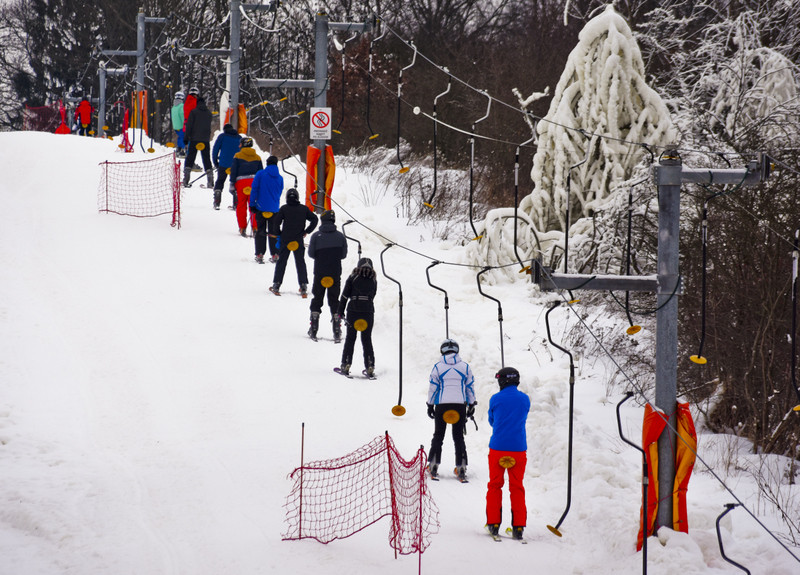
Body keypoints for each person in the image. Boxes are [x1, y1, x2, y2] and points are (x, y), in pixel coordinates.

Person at [485, 366, 530, 541]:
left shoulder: (495, 398)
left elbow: (492, 419)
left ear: (501, 381)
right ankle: (518, 527)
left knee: (495, 485)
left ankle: (494, 523)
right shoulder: (525, 399)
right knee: (517, 486)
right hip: (518, 449)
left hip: (498, 448)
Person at [426, 339, 477, 481]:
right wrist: (471, 404)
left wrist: (430, 404)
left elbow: (433, 387)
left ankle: (434, 465)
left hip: (442, 405)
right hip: (459, 405)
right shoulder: (465, 367)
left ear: (442, 351)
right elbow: (470, 386)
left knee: (438, 435)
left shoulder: (437, 367)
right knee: (458, 436)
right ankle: (461, 467)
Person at [307, 209, 348, 340]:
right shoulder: (341, 236)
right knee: (334, 300)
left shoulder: (316, 236)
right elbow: (343, 255)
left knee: (317, 299)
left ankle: (313, 328)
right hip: (335, 273)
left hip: (320, 272)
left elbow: (311, 254)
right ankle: (337, 330)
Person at [269, 188, 318, 296]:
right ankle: (303, 285)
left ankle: (276, 284)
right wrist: (306, 231)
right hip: (298, 240)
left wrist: (278, 233)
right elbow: (315, 219)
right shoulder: (304, 209)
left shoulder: (284, 209)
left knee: (282, 262)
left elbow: (276, 222)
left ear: (287, 198)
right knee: (300, 262)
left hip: (285, 240)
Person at [337, 258, 377, 376]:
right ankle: (370, 365)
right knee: (366, 339)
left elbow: (344, 295)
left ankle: (346, 364)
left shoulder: (353, 277)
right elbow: (373, 295)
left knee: (350, 338)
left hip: (353, 310)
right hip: (368, 311)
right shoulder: (373, 280)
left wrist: (340, 311)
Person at [249, 155, 284, 263]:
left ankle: (260, 254)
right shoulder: (280, 178)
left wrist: (252, 204)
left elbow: (254, 189)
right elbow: (280, 191)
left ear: (267, 163)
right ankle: (275, 255)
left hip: (261, 207)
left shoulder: (260, 174)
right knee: (274, 232)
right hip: (274, 209)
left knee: (261, 231)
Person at [229, 137, 262, 237]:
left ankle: (242, 228)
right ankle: (255, 227)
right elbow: (261, 172)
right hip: (254, 182)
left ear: (242, 145)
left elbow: (233, 171)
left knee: (241, 205)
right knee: (254, 205)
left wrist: (232, 183)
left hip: (241, 183)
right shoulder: (257, 157)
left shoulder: (237, 156)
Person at [183, 95, 214, 190]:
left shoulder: (194, 112)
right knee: (206, 159)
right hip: (205, 140)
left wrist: (186, 138)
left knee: (190, 158)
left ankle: (186, 179)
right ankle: (210, 180)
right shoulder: (209, 113)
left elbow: (189, 126)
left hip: (194, 139)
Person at [211, 123, 242, 210]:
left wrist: (215, 162)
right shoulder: (239, 138)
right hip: (236, 165)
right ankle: (236, 203)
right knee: (235, 183)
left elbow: (215, 149)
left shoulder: (222, 136)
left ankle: (217, 201)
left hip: (223, 164)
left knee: (220, 181)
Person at [170, 91, 185, 156]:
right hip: (181, 125)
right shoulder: (181, 106)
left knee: (180, 137)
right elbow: (182, 116)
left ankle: (178, 148)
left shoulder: (173, 107)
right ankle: (183, 150)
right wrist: (185, 124)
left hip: (176, 126)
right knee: (183, 137)